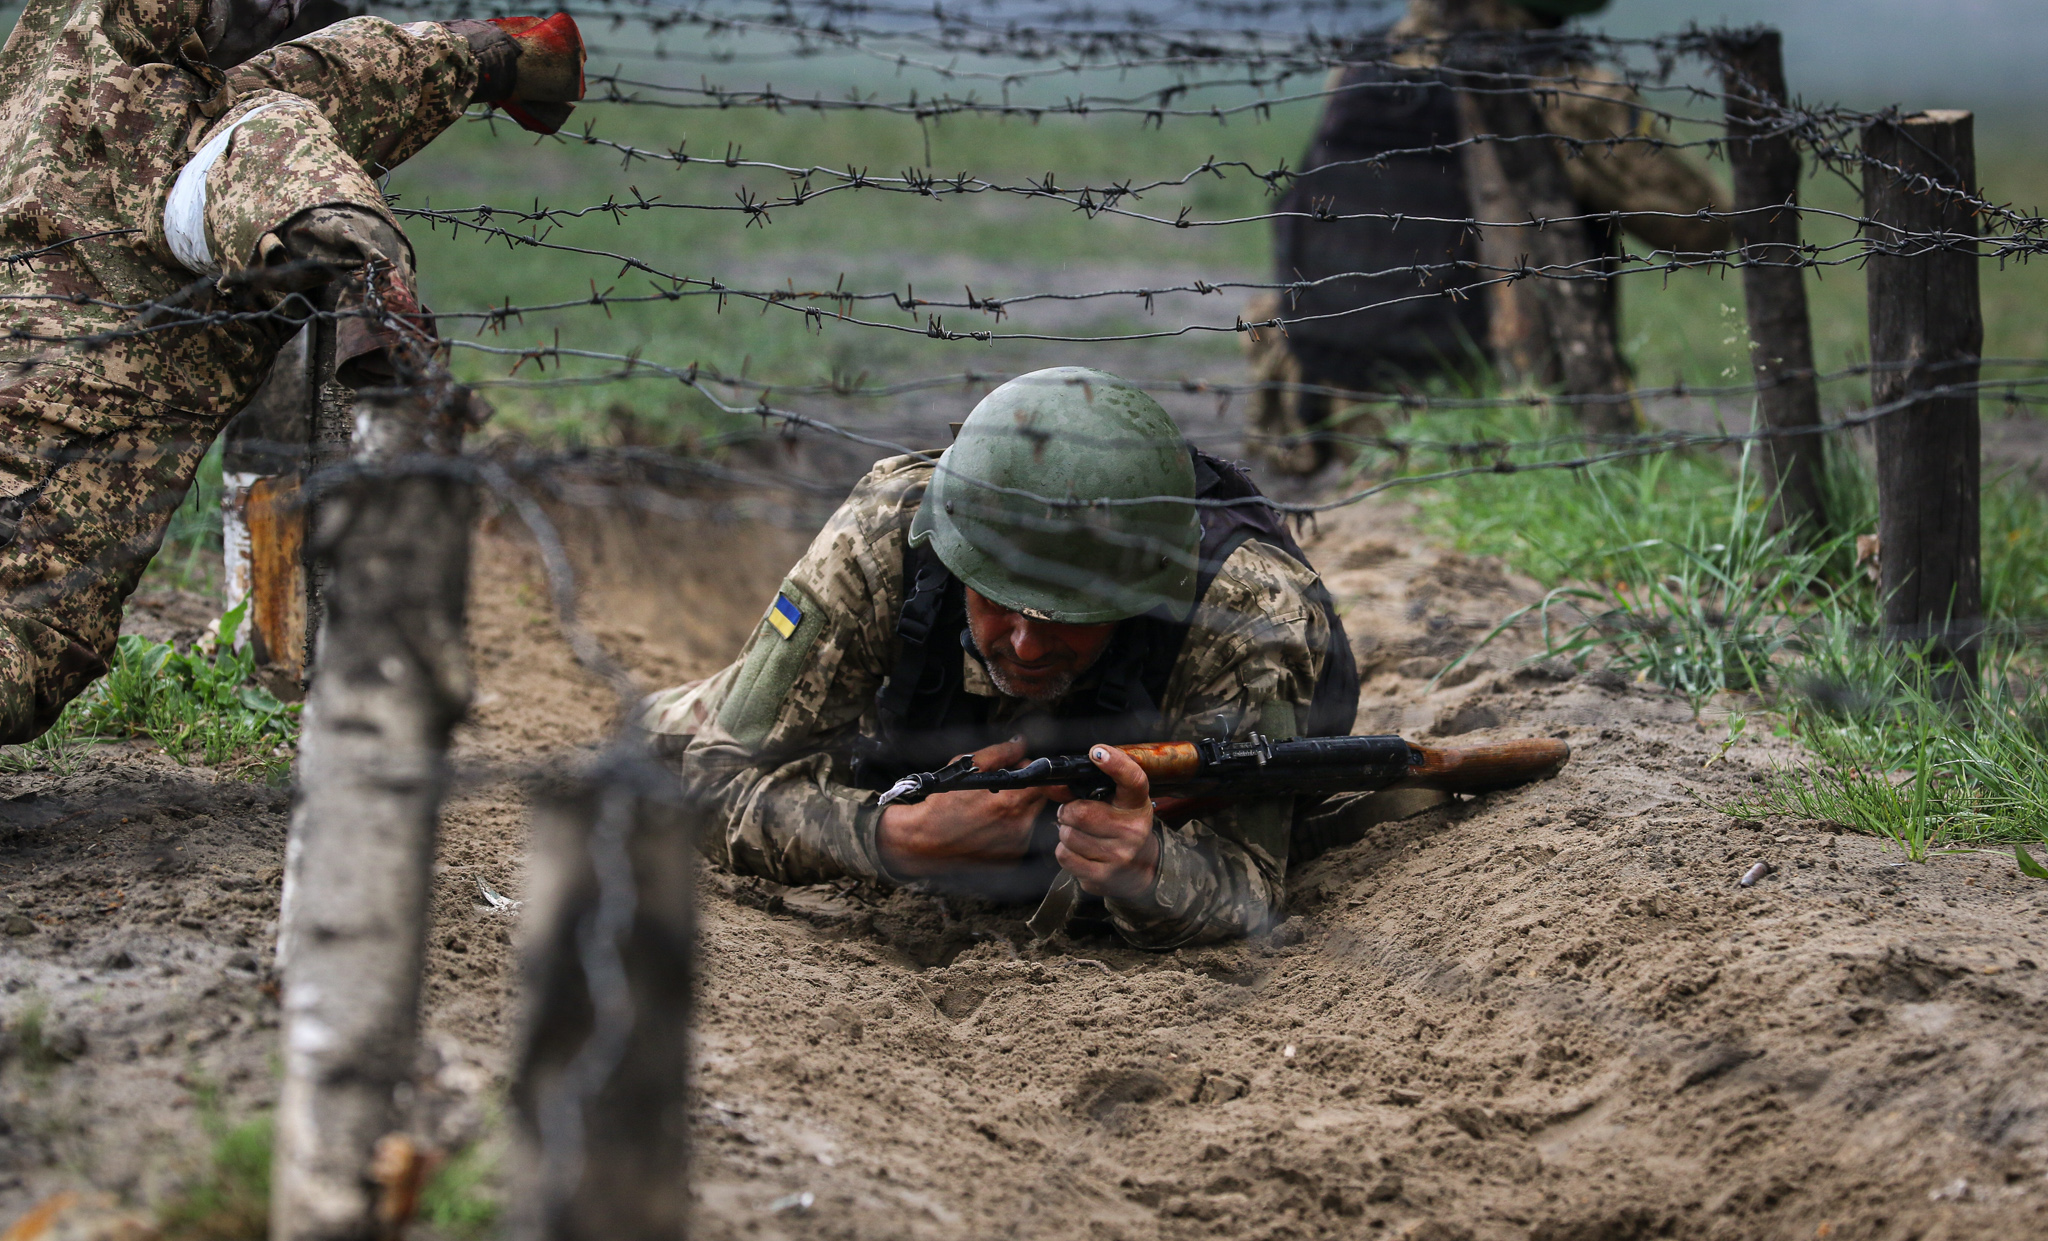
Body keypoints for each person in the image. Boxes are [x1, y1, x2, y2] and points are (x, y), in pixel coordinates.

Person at [0, 0, 586, 743]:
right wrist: (377, 298)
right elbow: (295, 166)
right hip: (25, 575)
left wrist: (489, 56)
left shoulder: (52, 63)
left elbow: (345, 73)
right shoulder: (217, 141)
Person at [646, 367, 1361, 950]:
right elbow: (717, 781)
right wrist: (892, 835)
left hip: (1171, 758)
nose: (1023, 644)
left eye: (1066, 620)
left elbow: (1250, 882)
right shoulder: (887, 533)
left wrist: (1147, 870)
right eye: (997, 602)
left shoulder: (1249, 614)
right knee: (659, 734)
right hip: (909, 735)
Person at [1246, 0, 1732, 473]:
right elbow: (1699, 227)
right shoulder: (1563, 88)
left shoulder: (1361, 66)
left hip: (1339, 400)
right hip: (1490, 422)